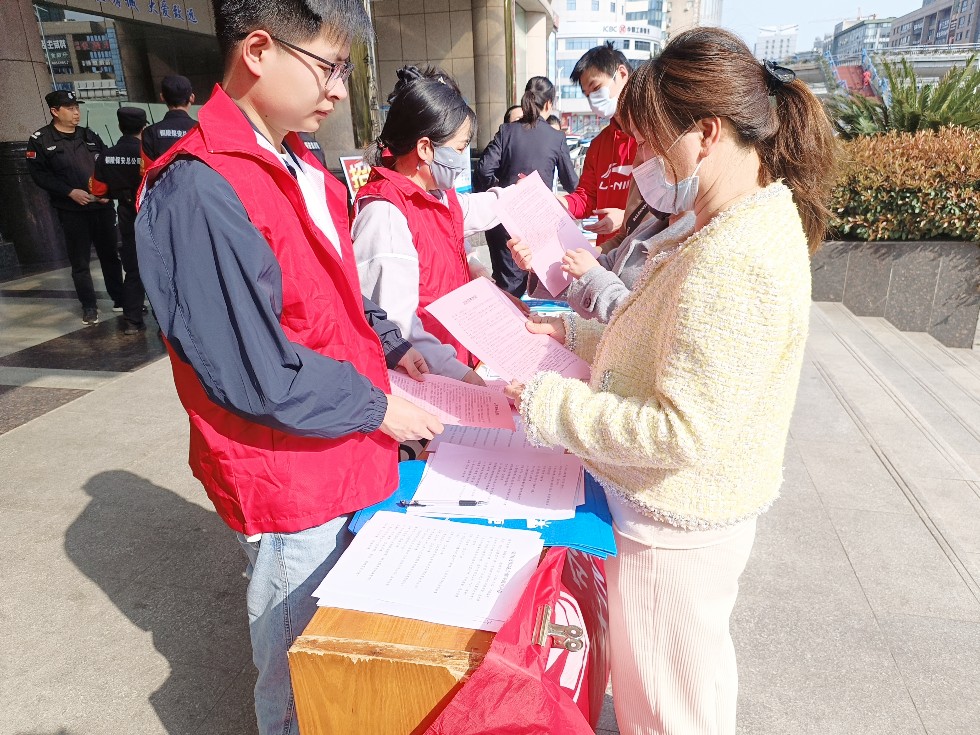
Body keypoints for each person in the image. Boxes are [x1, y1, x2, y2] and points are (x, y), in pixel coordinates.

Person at [505, 28, 836, 735]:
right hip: (684, 522)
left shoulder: (736, 254)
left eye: (656, 145)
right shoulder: (730, 221)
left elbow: (680, 428)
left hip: (674, 534)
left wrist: (547, 402)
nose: (647, 164)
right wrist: (574, 334)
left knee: (664, 712)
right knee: (689, 693)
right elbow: (665, 342)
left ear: (707, 134)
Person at [134, 1, 444, 733]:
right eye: (329, 67)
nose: (340, 90)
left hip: (336, 443)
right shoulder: (200, 187)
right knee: (300, 668)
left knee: (336, 654)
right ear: (260, 50)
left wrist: (392, 343)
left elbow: (331, 289)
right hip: (289, 471)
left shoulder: (302, 161)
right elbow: (251, 369)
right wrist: (378, 407)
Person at [352, 66, 511, 385]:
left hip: (450, 360)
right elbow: (397, 329)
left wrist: (524, 200)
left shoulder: (436, 195)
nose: (463, 158)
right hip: (428, 378)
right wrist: (461, 375)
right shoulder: (384, 213)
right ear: (425, 148)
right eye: (461, 147)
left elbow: (478, 210)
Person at [27, 90, 125, 325]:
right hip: (72, 211)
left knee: (110, 256)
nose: (76, 112)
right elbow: (39, 175)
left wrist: (107, 193)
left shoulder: (88, 135)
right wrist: (69, 192)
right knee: (80, 262)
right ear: (55, 111)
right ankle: (89, 306)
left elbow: (106, 165)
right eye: (69, 108)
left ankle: (120, 298)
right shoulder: (41, 140)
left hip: (101, 207)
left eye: (76, 107)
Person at [476, 76, 578, 296]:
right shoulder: (556, 137)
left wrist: (500, 195)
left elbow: (484, 170)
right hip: (538, 223)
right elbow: (572, 183)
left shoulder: (506, 131)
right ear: (549, 104)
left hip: (503, 221)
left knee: (507, 288)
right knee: (539, 287)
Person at [560, 42, 638, 249]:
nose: (593, 99)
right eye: (587, 95)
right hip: (608, 253)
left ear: (622, 74)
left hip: (643, 252)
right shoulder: (599, 144)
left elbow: (672, 203)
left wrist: (627, 216)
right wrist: (562, 203)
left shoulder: (653, 134)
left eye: (596, 88)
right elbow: (587, 197)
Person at [90, 107, 149, 335]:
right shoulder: (147, 153)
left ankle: (132, 320)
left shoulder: (106, 156)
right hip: (149, 213)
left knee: (133, 270)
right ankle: (165, 324)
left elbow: (99, 191)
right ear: (144, 127)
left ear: (119, 126)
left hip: (125, 215)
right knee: (161, 269)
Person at [141, 75, 197, 163]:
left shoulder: (150, 132)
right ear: (192, 97)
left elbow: (147, 172)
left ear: (162, 97)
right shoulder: (201, 130)